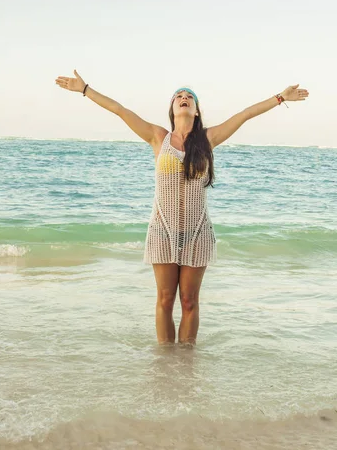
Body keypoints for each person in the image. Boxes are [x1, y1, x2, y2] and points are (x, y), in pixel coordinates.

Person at [55, 70, 309, 346]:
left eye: (189, 97)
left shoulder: (208, 140)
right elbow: (119, 110)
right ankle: (166, 364)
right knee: (165, 300)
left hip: (197, 233)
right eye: (179, 96)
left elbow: (245, 114)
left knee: (189, 301)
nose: (184, 98)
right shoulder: (157, 137)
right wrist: (84, 89)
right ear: (172, 108)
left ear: (197, 111)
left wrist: (281, 97)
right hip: (162, 231)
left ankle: (186, 363)